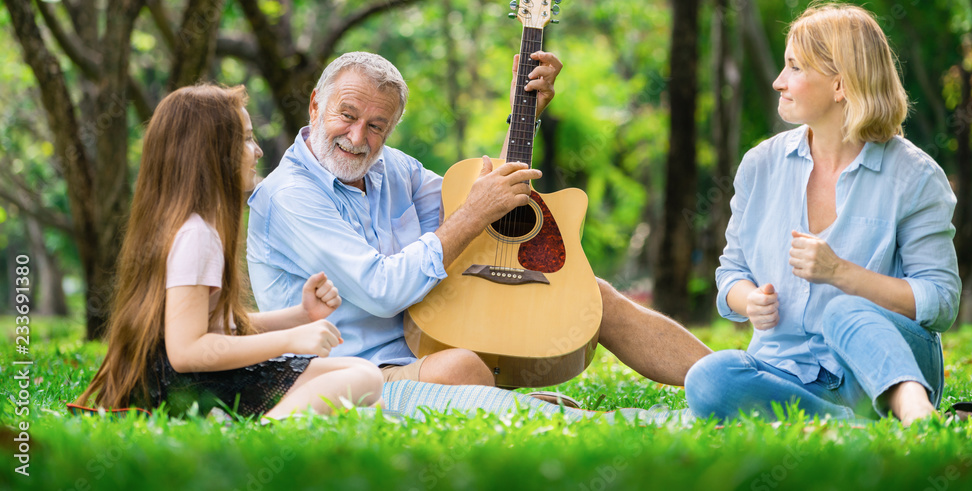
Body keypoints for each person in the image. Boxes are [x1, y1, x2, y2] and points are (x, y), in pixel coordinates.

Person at [248, 51, 711, 387]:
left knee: (596, 296)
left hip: (428, 344)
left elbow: (487, 204)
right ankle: (541, 414)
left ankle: (732, 380)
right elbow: (381, 290)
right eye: (346, 115)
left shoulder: (394, 168)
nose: (357, 137)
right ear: (315, 105)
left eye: (376, 126)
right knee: (462, 367)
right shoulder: (289, 195)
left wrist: (522, 116)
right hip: (348, 373)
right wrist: (472, 212)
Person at [684, 0, 961, 426]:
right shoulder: (761, 165)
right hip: (788, 373)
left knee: (844, 310)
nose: (779, 82)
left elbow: (941, 302)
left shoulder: (914, 175)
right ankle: (855, 429)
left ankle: (914, 414)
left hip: (885, 376)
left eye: (795, 67)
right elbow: (731, 274)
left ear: (840, 86)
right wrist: (749, 300)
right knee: (709, 376)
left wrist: (842, 274)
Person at [77, 84, 383, 419]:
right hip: (185, 389)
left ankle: (282, 420)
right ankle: (266, 434)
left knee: (363, 387)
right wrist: (292, 340)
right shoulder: (196, 235)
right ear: (210, 151)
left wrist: (299, 316)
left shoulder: (188, 227)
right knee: (364, 376)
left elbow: (212, 325)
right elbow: (186, 350)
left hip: (181, 382)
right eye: (247, 139)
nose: (258, 151)